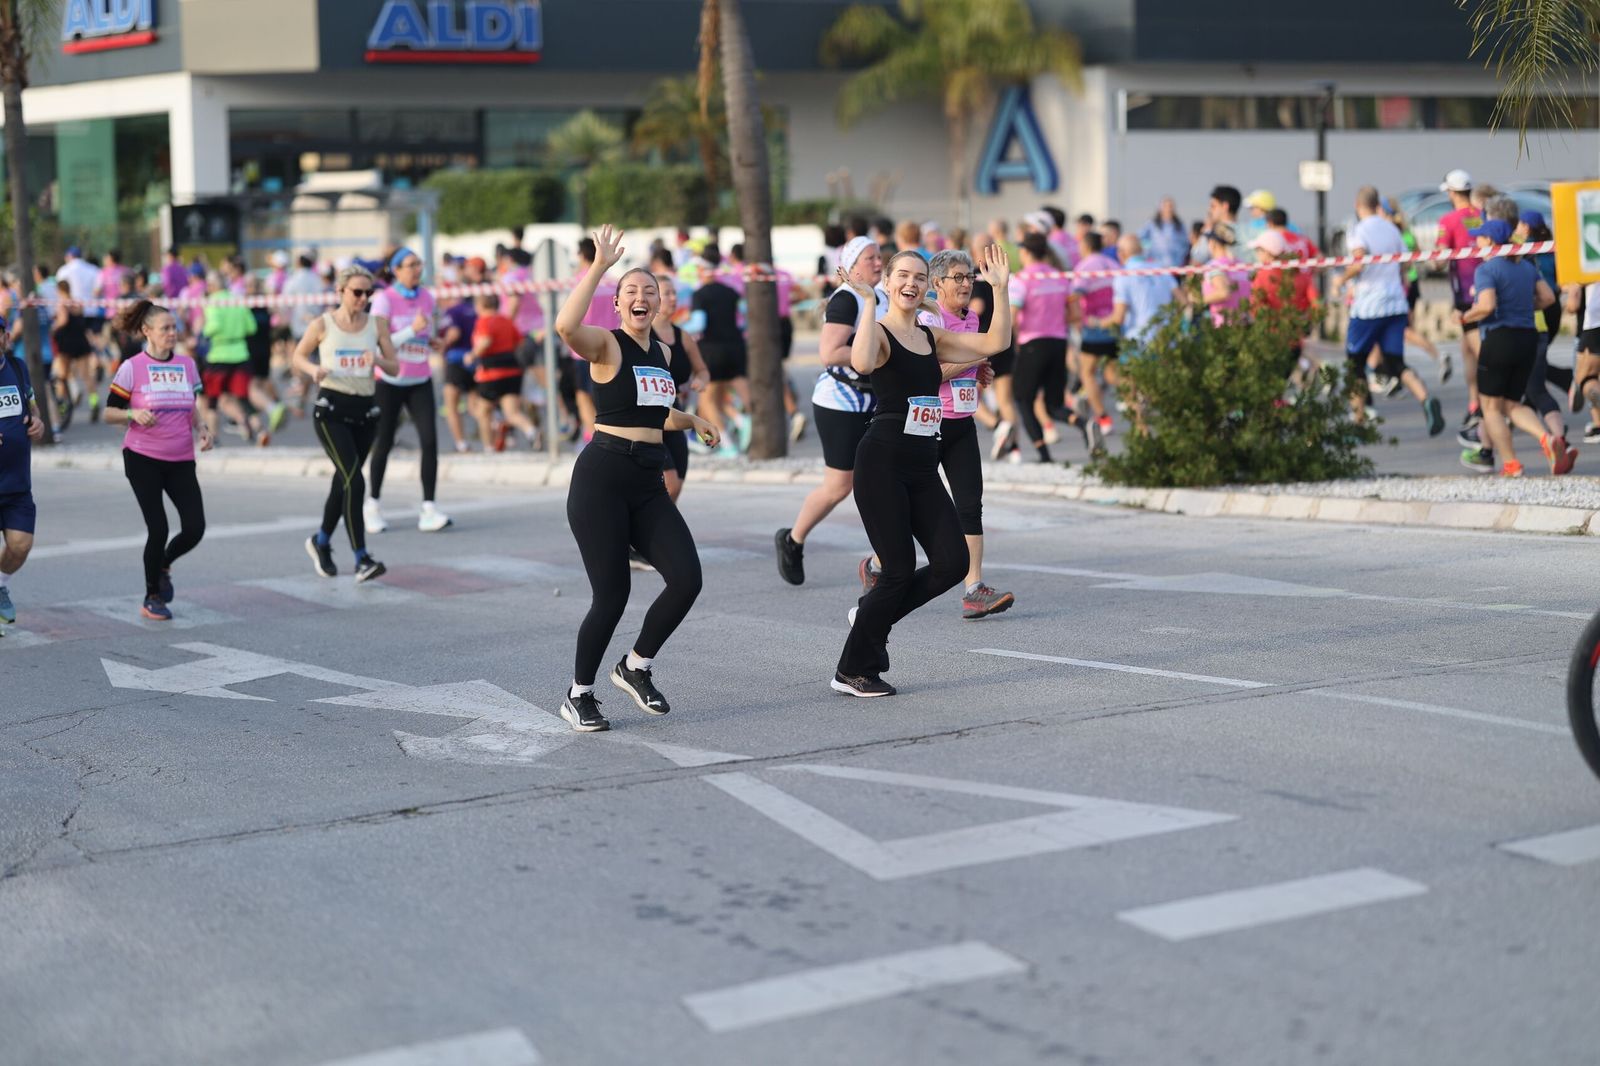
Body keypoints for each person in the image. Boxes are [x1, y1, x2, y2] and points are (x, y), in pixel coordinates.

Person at [554, 226, 723, 733]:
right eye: (632, 291)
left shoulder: (666, 354)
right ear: (618, 302)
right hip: (602, 476)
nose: (642, 298)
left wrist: (692, 420)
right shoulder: (606, 344)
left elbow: (656, 411)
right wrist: (600, 268)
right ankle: (579, 693)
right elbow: (565, 326)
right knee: (612, 594)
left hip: (647, 480)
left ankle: (635, 666)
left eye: (650, 291)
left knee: (688, 578)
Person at [831, 244, 1014, 697]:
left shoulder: (930, 337)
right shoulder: (878, 331)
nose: (910, 283)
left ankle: (873, 616)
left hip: (921, 464)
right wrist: (869, 303)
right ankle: (853, 668)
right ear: (889, 283)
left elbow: (996, 343)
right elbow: (860, 362)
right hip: (882, 463)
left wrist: (1001, 290)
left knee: (952, 562)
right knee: (897, 569)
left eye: (917, 277)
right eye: (902, 277)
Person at [775, 236, 884, 585]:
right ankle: (793, 539)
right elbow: (829, 352)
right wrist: (876, 354)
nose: (879, 263)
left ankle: (883, 562)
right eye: (871, 258)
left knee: (886, 480)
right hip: (841, 402)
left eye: (881, 257)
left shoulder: (882, 297)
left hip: (878, 401)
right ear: (852, 267)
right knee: (839, 487)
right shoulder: (845, 299)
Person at [917, 249, 1013, 619]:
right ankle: (878, 564)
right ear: (937, 283)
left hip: (962, 424)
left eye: (969, 277)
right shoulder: (927, 318)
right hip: (928, 424)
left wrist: (978, 375)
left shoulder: (972, 318)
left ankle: (974, 590)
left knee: (971, 506)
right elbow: (929, 373)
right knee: (917, 508)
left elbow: (962, 371)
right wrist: (975, 362)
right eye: (958, 277)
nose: (966, 283)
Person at [103, 300, 213, 621]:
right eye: (165, 328)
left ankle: (164, 562)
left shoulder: (187, 365)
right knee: (159, 526)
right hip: (142, 458)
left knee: (195, 527)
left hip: (181, 458)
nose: (172, 333)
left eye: (174, 327)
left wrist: (202, 427)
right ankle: (152, 595)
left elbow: (190, 404)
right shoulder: (131, 367)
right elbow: (109, 413)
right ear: (146, 331)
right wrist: (132, 413)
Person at [291, 265, 401, 583]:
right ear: (341, 292)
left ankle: (321, 541)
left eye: (369, 293)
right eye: (357, 292)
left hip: (365, 411)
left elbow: (395, 366)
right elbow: (298, 356)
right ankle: (361, 558)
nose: (363, 298)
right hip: (331, 410)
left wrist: (378, 360)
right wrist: (313, 372)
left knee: (345, 480)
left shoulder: (377, 324)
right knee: (356, 480)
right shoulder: (323, 324)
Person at [1459, 219, 1570, 477]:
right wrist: (1520, 306)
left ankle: (1511, 464)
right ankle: (1547, 438)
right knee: (1512, 405)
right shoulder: (1525, 266)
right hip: (1527, 339)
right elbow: (1549, 298)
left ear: (1489, 241)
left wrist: (1465, 317)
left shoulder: (1487, 269)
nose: (1476, 242)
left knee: (1491, 409)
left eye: (1480, 238)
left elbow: (1486, 306)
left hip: (1499, 340)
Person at [1331, 187, 1445, 435]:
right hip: (1395, 303)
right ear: (1376, 204)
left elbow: (1359, 263)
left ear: (1357, 203)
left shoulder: (1359, 230)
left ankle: (1358, 420)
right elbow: (1406, 265)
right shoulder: (1392, 229)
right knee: (1395, 362)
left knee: (1355, 364)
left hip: (1369, 306)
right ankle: (1426, 399)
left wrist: (1341, 280)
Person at [366, 248, 450, 534]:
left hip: (420, 380)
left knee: (430, 442)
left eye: (419, 264)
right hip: (389, 381)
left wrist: (432, 341)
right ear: (396, 270)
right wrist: (412, 331)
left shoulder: (428, 297)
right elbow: (379, 345)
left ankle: (429, 508)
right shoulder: (383, 300)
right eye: (411, 265)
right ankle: (372, 505)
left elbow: (425, 332)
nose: (417, 269)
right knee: (384, 442)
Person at [1010, 234, 1099, 463]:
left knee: (1023, 399)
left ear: (1026, 253)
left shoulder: (1021, 279)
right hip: (1058, 342)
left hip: (1032, 343)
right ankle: (1084, 423)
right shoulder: (1060, 277)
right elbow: (1076, 314)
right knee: (1054, 404)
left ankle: (1044, 455)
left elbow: (1011, 319)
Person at [652, 267, 710, 507]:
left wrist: (701, 381)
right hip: (650, 416)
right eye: (667, 294)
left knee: (677, 485)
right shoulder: (642, 335)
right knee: (670, 482)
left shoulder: (683, 336)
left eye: (675, 293)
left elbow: (703, 370)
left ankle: (650, 535)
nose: (674, 299)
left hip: (676, 412)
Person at [1436, 169, 1485, 436]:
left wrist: (1433, 260)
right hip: (1485, 287)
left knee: (1479, 351)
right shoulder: (1480, 215)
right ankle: (1475, 403)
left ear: (1452, 193)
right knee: (1467, 349)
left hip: (1465, 294)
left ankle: (1493, 403)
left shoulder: (1449, 219)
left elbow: (1440, 257)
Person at [0, 342, 46, 627]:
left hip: (17, 484)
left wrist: (38, 422)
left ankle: (0, 584)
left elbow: (32, 406)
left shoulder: (17, 367)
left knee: (21, 545)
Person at [968, 232, 1020, 460]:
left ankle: (997, 425)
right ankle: (1015, 449)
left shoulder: (978, 277)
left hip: (984, 343)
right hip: (1005, 341)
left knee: (969, 394)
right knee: (1005, 399)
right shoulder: (1004, 276)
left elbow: (977, 307)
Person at [467, 293, 538, 452]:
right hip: (513, 371)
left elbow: (485, 341)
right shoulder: (507, 321)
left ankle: (488, 448)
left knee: (483, 411)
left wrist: (471, 355)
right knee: (512, 413)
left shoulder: (484, 321)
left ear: (481, 305)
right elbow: (519, 342)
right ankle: (531, 431)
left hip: (491, 373)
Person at [1073, 231, 1120, 433]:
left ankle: (1103, 417)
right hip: (1115, 326)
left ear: (1086, 246)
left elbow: (1075, 295)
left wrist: (1077, 318)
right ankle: (1137, 399)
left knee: (1087, 373)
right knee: (1112, 374)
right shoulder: (1113, 264)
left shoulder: (1084, 267)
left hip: (1094, 327)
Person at [437, 290, 479, 453]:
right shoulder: (472, 309)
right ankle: (495, 424)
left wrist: (443, 343)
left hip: (456, 360)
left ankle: (461, 444)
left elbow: (454, 333)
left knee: (451, 405)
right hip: (474, 359)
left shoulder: (451, 311)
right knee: (474, 405)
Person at [1139, 197, 1188, 269]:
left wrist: (1180, 257)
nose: (1169, 209)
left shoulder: (1179, 225)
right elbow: (1141, 238)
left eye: (1171, 206)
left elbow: (1185, 244)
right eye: (1166, 206)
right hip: (1156, 266)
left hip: (1175, 266)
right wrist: (1148, 251)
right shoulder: (1152, 224)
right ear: (1160, 208)